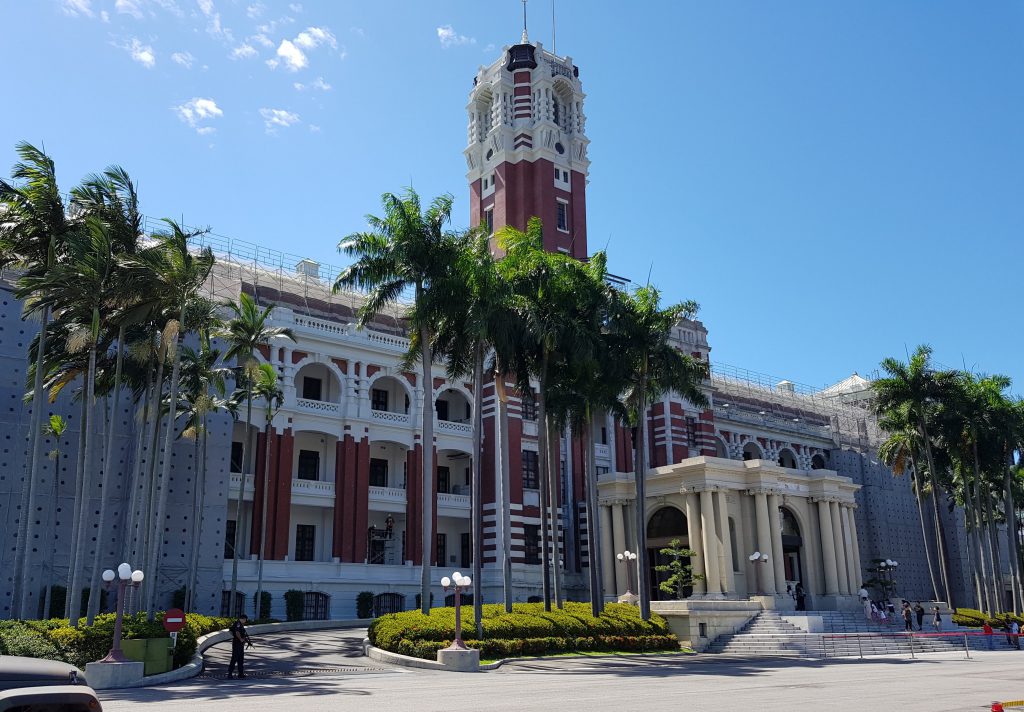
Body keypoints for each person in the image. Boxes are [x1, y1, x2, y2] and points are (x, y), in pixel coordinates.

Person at [227, 613, 252, 679]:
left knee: (240, 659)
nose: (245, 621)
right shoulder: (238, 624)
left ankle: (241, 674)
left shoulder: (240, 624)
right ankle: (230, 674)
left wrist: (246, 641)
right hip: (237, 644)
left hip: (240, 645)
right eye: (245, 620)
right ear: (243, 619)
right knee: (234, 658)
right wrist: (240, 639)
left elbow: (242, 634)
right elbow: (237, 632)